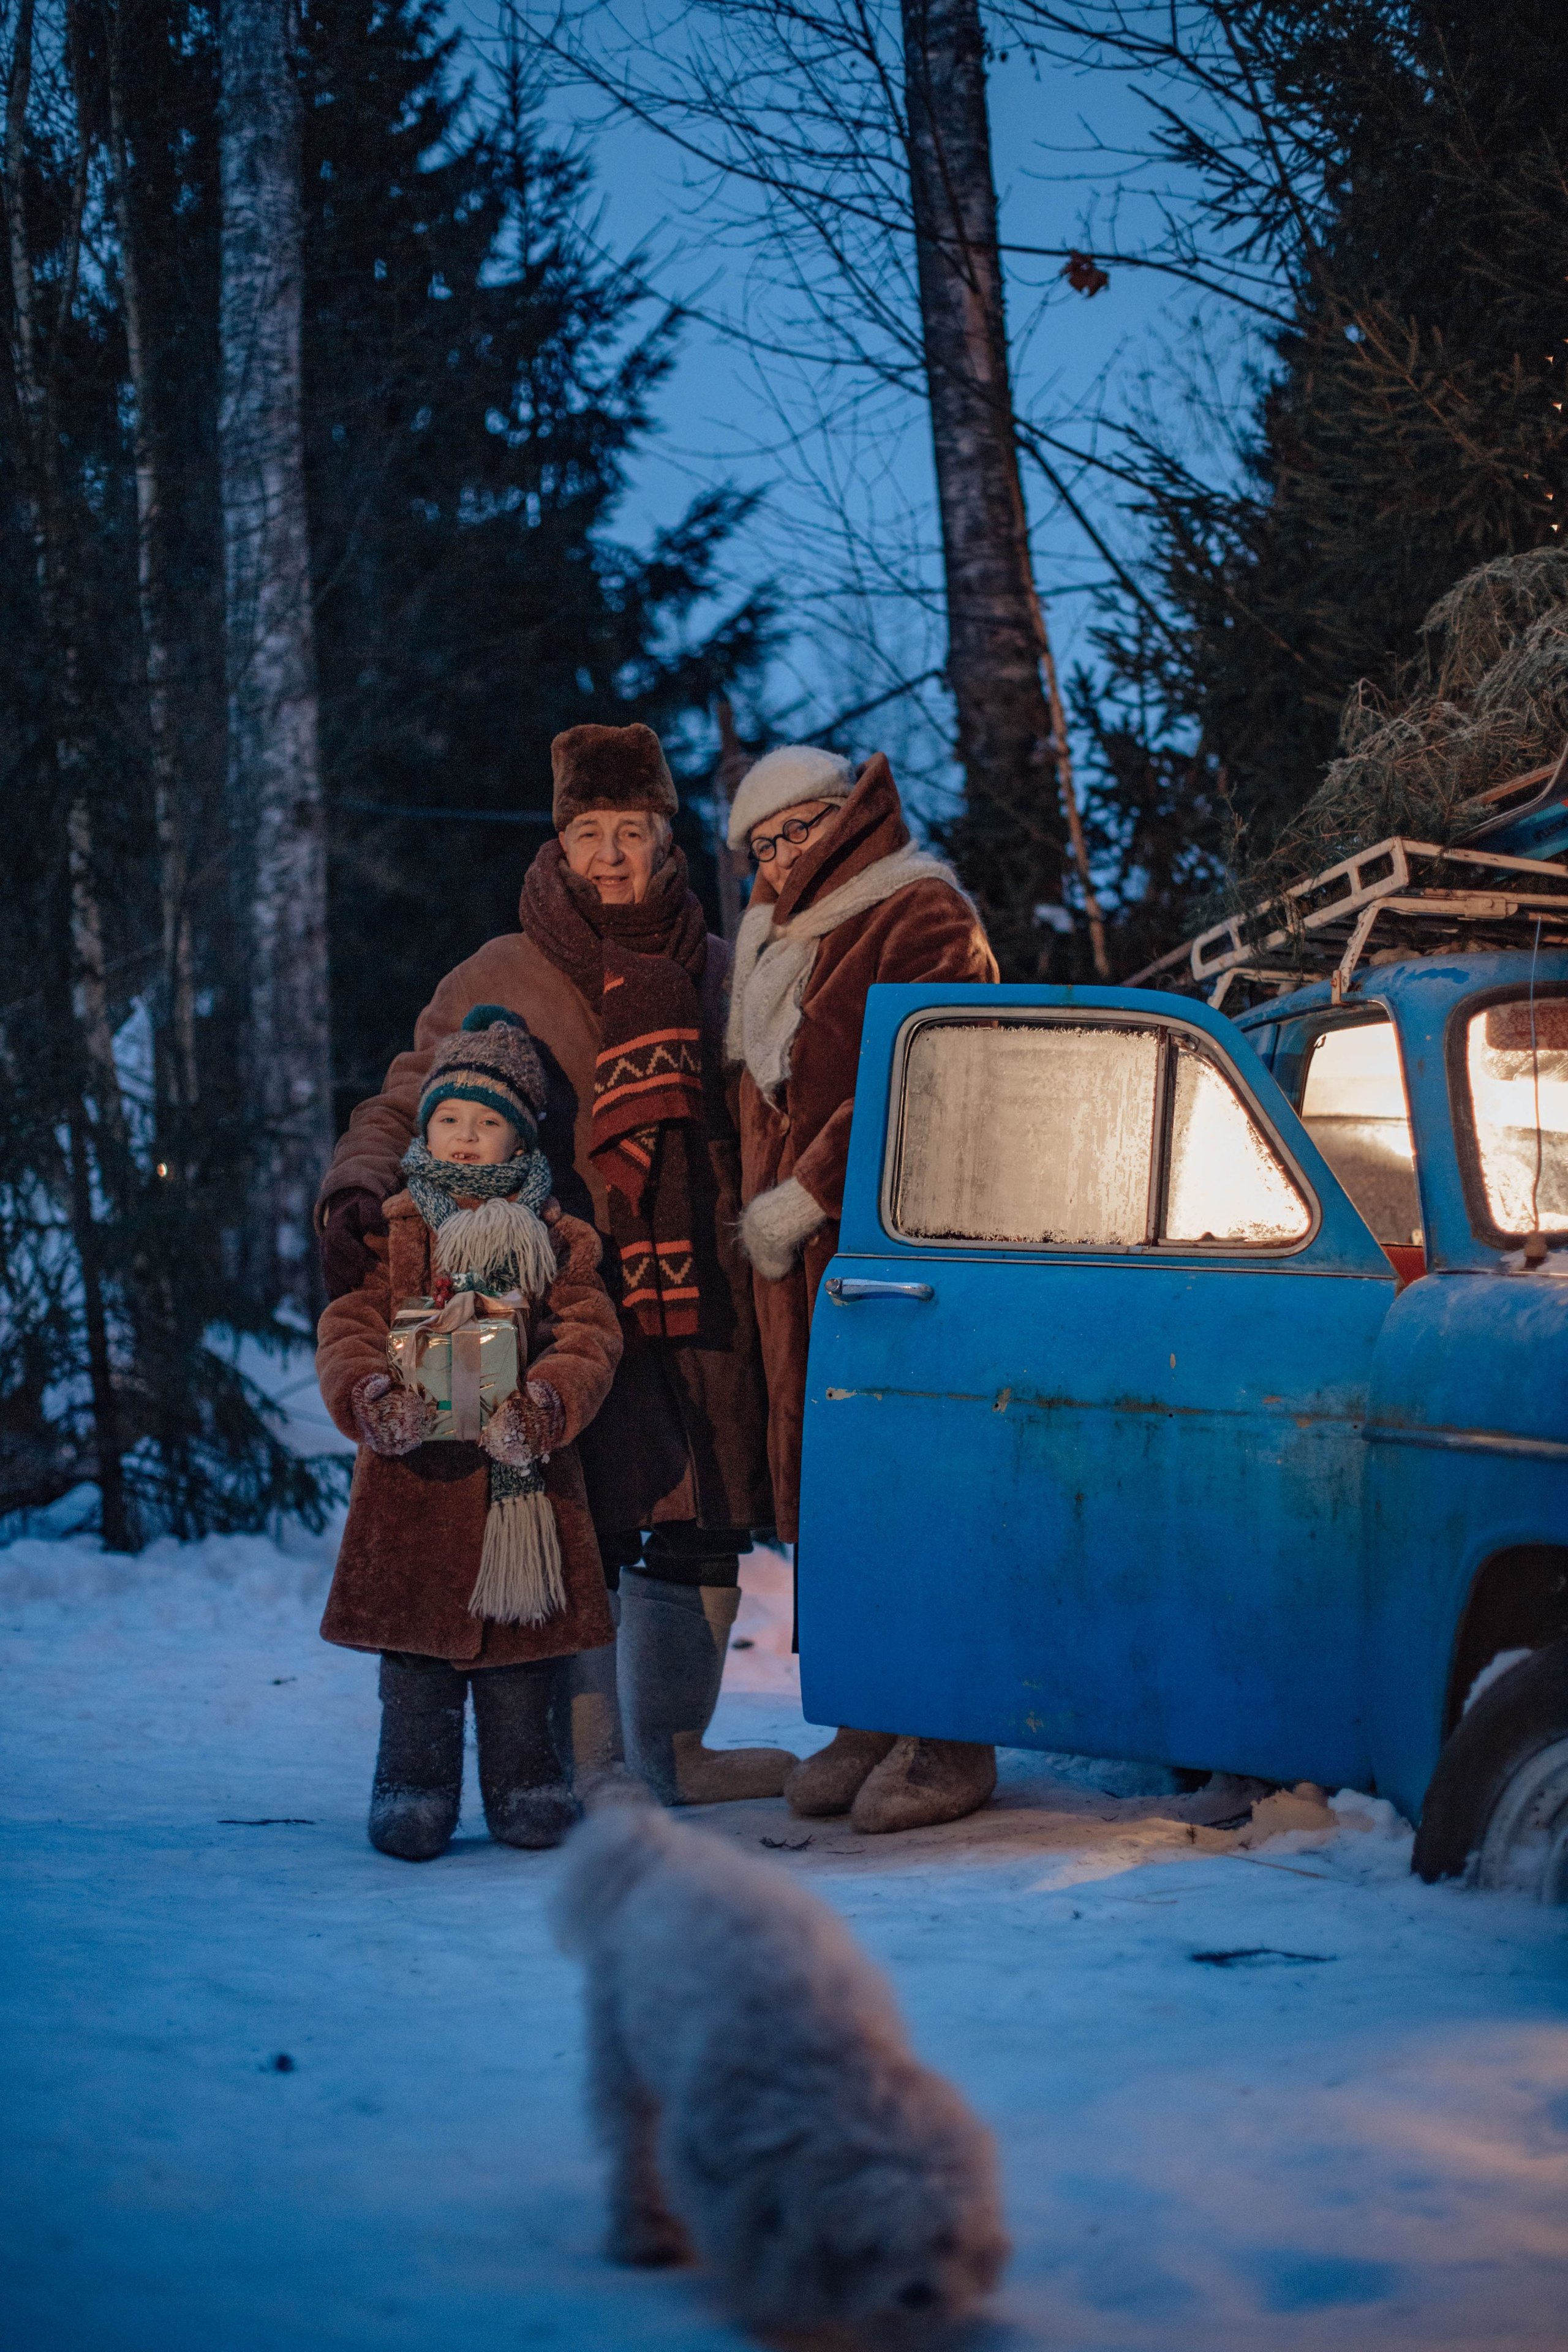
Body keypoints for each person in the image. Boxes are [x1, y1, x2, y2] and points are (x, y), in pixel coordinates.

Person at [315, 723, 791, 1808]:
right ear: (560, 842)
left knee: (703, 1525)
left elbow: (779, 1108)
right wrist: (356, 1185)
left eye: (632, 830)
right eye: (589, 833)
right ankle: (593, 1762)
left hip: (703, 1295)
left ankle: (675, 1751)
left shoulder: (722, 972)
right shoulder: (499, 973)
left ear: (666, 837)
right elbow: (406, 1099)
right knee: (593, 1523)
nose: (611, 855)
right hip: (561, 1291)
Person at [726, 744, 1001, 1834]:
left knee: (914, 1490)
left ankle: (951, 1736)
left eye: (797, 830)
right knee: (835, 1499)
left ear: (847, 816)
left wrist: (807, 1193)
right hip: (801, 1277)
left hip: (900, 1260)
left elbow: (932, 1073)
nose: (781, 856)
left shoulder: (918, 910)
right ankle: (868, 1713)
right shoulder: (778, 944)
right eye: (762, 844)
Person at [315, 1008, 623, 1860]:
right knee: (415, 1656)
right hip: (414, 1484)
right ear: (425, 1128)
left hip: (518, 1488)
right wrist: (371, 1396)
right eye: (448, 1117)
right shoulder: (395, 1229)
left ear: (520, 1139)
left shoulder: (558, 1238)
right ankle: (411, 1786)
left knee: (520, 1650)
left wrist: (546, 1404)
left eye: (487, 1122)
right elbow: (349, 1327)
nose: (464, 1136)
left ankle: (526, 1784)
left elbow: (590, 1337)